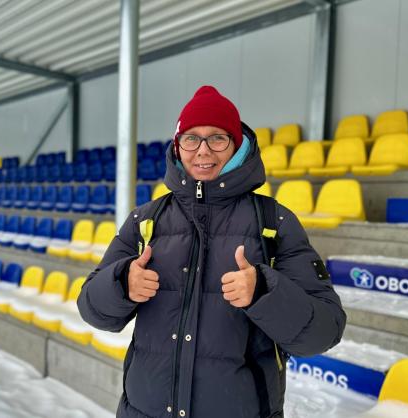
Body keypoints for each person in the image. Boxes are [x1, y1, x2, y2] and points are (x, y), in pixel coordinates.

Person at [77, 86, 346, 418]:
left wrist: (266, 292)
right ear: (178, 147)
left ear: (236, 146)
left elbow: (324, 331)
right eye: (191, 139)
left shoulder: (274, 222)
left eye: (217, 138)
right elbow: (90, 307)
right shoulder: (146, 220)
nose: (203, 151)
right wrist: (120, 284)